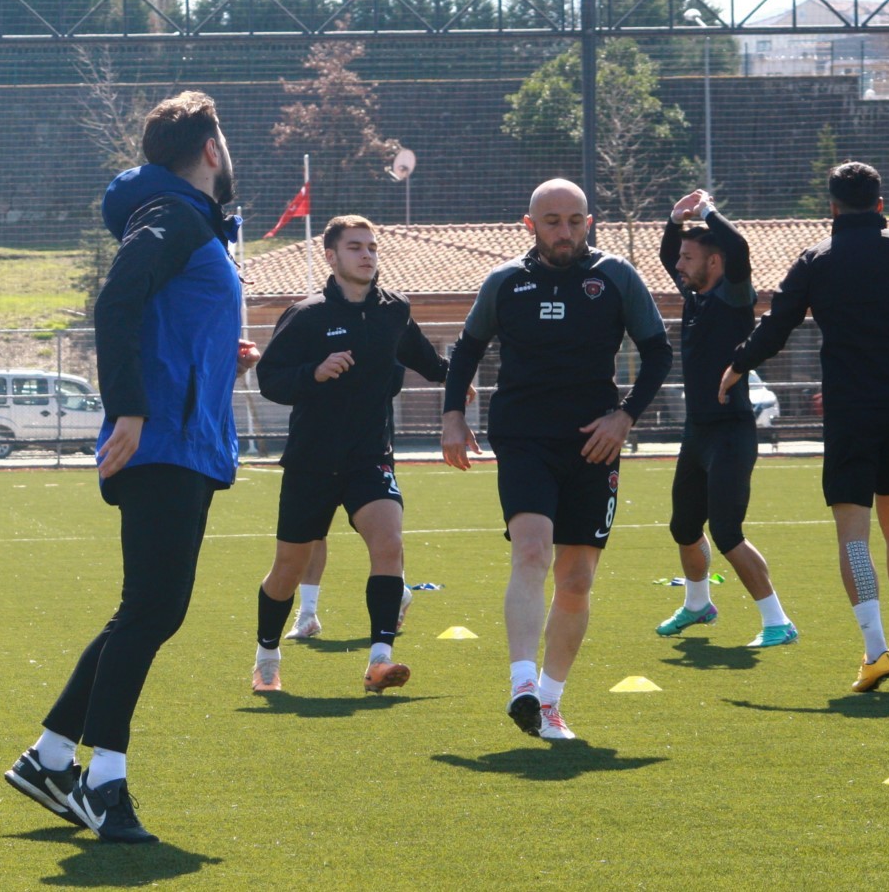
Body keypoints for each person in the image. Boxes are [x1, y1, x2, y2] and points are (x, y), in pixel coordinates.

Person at [4, 91, 259, 844]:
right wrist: (132, 408)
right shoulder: (175, 216)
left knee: (150, 609)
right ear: (211, 150)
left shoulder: (187, 220)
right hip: (163, 444)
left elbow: (159, 317)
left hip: (184, 440)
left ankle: (53, 758)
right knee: (152, 608)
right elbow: (116, 302)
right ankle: (103, 781)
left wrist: (216, 360)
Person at [721, 162, 889, 692]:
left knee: (853, 536)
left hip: (850, 410)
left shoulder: (816, 259)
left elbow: (777, 324)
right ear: (881, 206)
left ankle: (875, 650)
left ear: (833, 207)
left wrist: (739, 363)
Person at [441, 179, 671, 741]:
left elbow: (658, 350)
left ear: (589, 222)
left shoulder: (616, 277)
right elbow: (467, 348)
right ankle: (521, 681)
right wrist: (452, 416)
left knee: (575, 579)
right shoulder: (505, 283)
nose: (564, 231)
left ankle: (547, 702)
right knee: (532, 549)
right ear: (530, 225)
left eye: (574, 220)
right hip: (523, 438)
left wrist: (625, 416)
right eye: (551, 221)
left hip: (595, 443)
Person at [252, 215, 451, 694]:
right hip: (311, 460)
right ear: (331, 256)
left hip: (370, 457)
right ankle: (266, 657)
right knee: (287, 570)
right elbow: (270, 380)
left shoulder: (393, 311)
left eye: (372, 247)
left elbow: (435, 366)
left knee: (389, 543)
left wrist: (484, 355)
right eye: (356, 247)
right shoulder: (307, 314)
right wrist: (314, 372)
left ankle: (380, 661)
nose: (367, 255)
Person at [654, 189, 796, 647]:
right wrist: (676, 221)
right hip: (697, 432)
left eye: (689, 258)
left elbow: (738, 248)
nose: (679, 265)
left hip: (731, 432)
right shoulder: (695, 296)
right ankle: (698, 605)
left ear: (713, 262)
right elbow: (665, 255)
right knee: (683, 527)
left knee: (728, 531)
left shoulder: (735, 296)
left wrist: (709, 210)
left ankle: (778, 621)